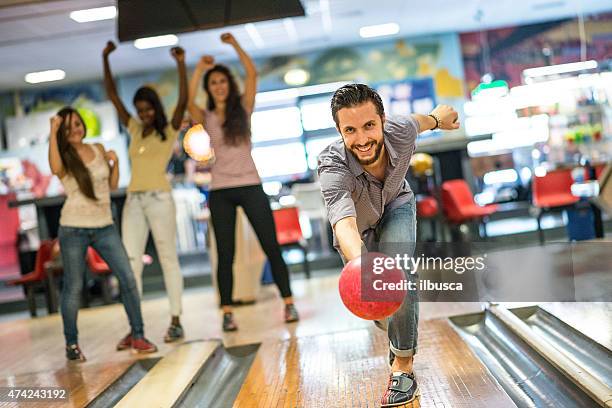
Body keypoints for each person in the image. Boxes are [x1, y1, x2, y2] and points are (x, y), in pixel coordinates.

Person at [318, 84, 459, 406]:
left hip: (397, 204)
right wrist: (365, 270)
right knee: (382, 303)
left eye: (369, 125)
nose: (363, 139)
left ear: (382, 120)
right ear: (339, 131)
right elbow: (344, 223)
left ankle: (403, 369)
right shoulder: (332, 166)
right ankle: (392, 324)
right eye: (350, 130)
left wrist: (441, 119)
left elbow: (428, 119)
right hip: (358, 231)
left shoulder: (400, 130)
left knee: (399, 276)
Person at [187, 32, 298, 332]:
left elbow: (251, 73)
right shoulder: (206, 116)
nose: (219, 87)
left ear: (229, 85)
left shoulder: (243, 108)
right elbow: (187, 99)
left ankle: (288, 302)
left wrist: (234, 45)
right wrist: (198, 70)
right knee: (226, 255)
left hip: (250, 185)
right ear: (209, 89)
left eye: (222, 82)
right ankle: (227, 311)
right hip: (221, 190)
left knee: (271, 246)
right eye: (214, 84)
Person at [48, 107, 158, 361]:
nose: (74, 129)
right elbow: (54, 168)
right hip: (73, 228)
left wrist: (116, 163)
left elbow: (110, 186)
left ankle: (137, 335)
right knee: (73, 287)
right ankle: (72, 345)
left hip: (104, 226)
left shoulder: (97, 148)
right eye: (67, 127)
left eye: (77, 123)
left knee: (128, 278)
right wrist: (53, 131)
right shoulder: (63, 155)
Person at [103, 41, 188, 344]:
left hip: (159, 199)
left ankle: (176, 320)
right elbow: (113, 96)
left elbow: (182, 101)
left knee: (167, 258)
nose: (144, 114)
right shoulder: (135, 129)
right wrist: (105, 59)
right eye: (140, 110)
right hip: (134, 200)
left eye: (148, 108)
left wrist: (181, 63)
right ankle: (135, 327)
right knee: (130, 262)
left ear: (156, 107)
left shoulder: (169, 129)